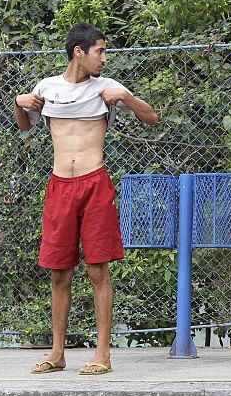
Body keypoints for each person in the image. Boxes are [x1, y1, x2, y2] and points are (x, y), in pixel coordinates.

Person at [14, 23, 159, 374]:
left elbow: (152, 118)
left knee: (98, 269)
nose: (104, 59)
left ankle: (103, 354)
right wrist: (19, 103)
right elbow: (24, 125)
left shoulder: (108, 88)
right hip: (59, 185)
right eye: (100, 51)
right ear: (79, 51)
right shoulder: (47, 88)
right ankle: (57, 352)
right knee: (59, 272)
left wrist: (125, 98)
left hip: (95, 183)